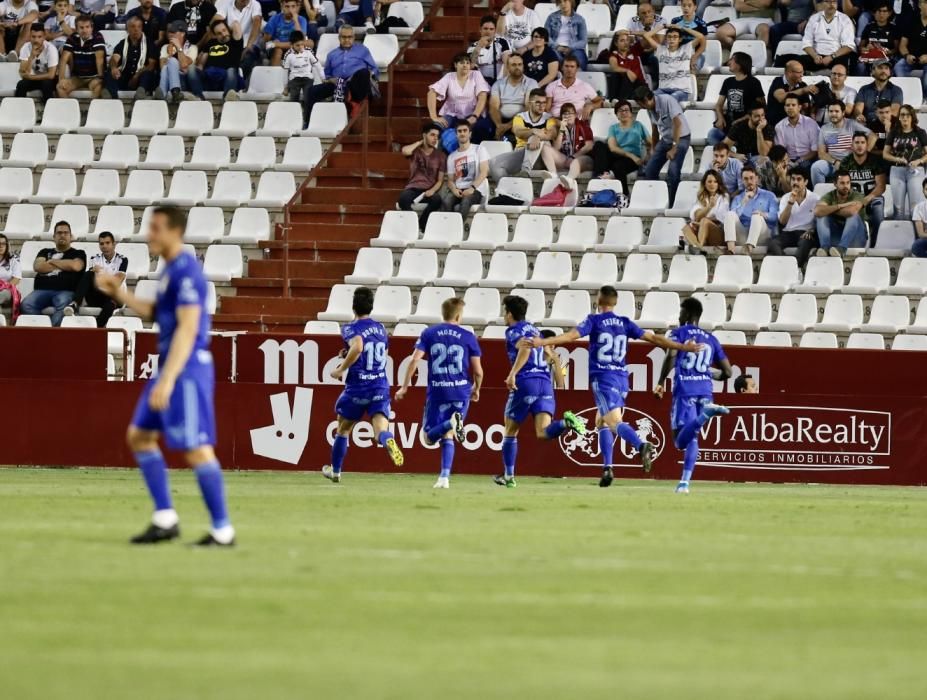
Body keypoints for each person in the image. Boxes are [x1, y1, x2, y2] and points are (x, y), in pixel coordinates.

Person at [94, 206, 234, 546]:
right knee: (139, 436)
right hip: (172, 366)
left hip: (185, 369)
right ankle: (165, 518)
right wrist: (119, 294)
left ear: (175, 231)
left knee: (197, 449)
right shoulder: (170, 271)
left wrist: (168, 379)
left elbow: (187, 328)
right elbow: (159, 313)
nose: (149, 234)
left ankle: (222, 530)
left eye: (155, 228)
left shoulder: (186, 272)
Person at [524, 285, 700, 488]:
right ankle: (607, 468)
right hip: (622, 379)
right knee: (601, 422)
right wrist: (681, 346)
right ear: (615, 302)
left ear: (598, 301)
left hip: (603, 379)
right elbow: (654, 338)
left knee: (615, 422)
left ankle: (641, 445)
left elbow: (571, 336)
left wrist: (543, 341)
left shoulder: (594, 320)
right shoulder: (625, 323)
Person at [496, 294, 585, 488]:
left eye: (505, 312)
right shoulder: (535, 331)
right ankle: (564, 422)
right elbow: (560, 383)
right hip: (544, 384)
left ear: (509, 314)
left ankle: (509, 477)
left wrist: (512, 374)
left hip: (525, 381)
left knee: (510, 432)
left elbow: (525, 348)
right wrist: (553, 360)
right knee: (543, 432)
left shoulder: (514, 331)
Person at [395, 297, 483, 489]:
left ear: (443, 314)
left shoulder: (429, 333)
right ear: (459, 315)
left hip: (438, 391)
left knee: (429, 438)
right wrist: (476, 388)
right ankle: (444, 476)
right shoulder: (468, 336)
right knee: (448, 434)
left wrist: (404, 386)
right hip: (461, 392)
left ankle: (444, 478)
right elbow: (478, 371)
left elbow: (414, 361)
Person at [322, 287, 404, 484]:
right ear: (371, 306)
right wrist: (347, 352)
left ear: (353, 307)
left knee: (343, 428)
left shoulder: (350, 328)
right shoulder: (381, 328)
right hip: (380, 386)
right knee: (379, 432)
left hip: (358, 387)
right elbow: (372, 350)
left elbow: (358, 346)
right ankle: (387, 439)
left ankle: (335, 471)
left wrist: (341, 369)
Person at [653, 298, 732, 494]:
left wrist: (661, 381)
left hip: (685, 391)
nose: (679, 316)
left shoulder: (679, 333)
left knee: (680, 441)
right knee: (693, 438)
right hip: (705, 390)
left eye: (681, 312)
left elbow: (671, 355)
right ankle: (684, 484)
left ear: (687, 314)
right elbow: (728, 373)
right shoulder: (711, 338)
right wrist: (708, 373)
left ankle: (704, 415)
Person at [303, 25, 378, 124]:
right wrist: (331, 79)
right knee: (312, 91)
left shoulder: (362, 50)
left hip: (356, 83)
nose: (347, 40)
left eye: (349, 37)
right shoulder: (332, 54)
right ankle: (308, 123)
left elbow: (374, 69)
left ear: (354, 38)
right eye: (344, 37)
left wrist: (369, 74)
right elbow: (327, 75)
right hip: (338, 83)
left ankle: (354, 102)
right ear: (339, 38)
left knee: (363, 72)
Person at [20, 221, 86, 327]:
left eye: (66, 233)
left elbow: (75, 266)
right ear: (54, 236)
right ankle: (44, 329)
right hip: (42, 290)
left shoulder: (79, 253)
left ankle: (52, 334)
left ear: (71, 236)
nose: (62, 235)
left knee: (64, 306)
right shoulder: (44, 251)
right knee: (26, 304)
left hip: (66, 291)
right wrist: (65, 264)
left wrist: (51, 262)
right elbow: (38, 267)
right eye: (59, 233)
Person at [635, 85, 691, 204]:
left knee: (673, 172)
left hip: (681, 138)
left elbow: (678, 124)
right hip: (666, 140)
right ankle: (658, 199)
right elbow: (654, 129)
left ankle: (672, 203)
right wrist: (653, 149)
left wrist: (674, 147)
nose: (641, 107)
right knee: (650, 171)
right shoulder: (649, 108)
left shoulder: (667, 100)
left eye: (641, 104)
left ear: (646, 100)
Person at [490, 87, 555, 180]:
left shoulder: (549, 118)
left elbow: (549, 135)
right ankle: (507, 191)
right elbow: (518, 132)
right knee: (494, 162)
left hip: (541, 158)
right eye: (538, 103)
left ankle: (525, 171)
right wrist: (534, 131)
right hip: (521, 154)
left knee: (537, 140)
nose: (542, 106)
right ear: (530, 103)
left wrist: (535, 136)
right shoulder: (520, 117)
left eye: (544, 102)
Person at [64, 231, 126, 327]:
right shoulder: (94, 259)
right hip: (98, 295)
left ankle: (95, 330)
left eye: (107, 243)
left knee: (109, 306)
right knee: (88, 274)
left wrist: (101, 273)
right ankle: (75, 303)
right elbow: (94, 282)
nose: (104, 246)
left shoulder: (122, 259)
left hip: (115, 296)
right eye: (101, 243)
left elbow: (117, 282)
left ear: (114, 244)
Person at [590, 99, 648, 194]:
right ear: (616, 114)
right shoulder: (613, 128)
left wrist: (647, 156)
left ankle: (623, 194)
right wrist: (629, 154)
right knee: (599, 145)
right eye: (621, 110)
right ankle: (601, 176)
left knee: (618, 166)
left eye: (626, 110)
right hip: (620, 155)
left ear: (631, 113)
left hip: (632, 160)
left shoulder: (638, 126)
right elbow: (612, 147)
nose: (624, 113)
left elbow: (650, 142)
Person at [811, 99, 875, 185]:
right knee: (816, 167)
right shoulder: (824, 128)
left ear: (843, 113)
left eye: (837, 111)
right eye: (831, 111)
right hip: (832, 163)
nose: (833, 114)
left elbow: (873, 136)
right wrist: (835, 162)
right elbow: (821, 153)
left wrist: (864, 155)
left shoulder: (852, 124)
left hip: (851, 163)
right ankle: (819, 196)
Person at [398, 122, 447, 232]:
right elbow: (405, 151)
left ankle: (421, 225)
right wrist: (420, 142)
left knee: (437, 200)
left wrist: (432, 190)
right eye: (432, 135)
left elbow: (440, 180)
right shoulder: (415, 151)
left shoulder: (441, 156)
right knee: (403, 199)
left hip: (428, 189)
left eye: (437, 136)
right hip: (413, 187)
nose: (435, 138)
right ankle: (413, 224)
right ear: (425, 135)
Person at [708, 53, 764, 146]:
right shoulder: (728, 82)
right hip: (729, 123)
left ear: (740, 64)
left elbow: (761, 106)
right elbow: (718, 105)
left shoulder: (754, 82)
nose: (728, 62)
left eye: (732, 60)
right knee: (712, 134)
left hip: (746, 125)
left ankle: (730, 154)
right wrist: (720, 118)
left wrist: (741, 120)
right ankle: (726, 154)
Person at [769, 167, 820, 268]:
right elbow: (783, 222)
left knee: (805, 243)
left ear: (806, 182)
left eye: (799, 179)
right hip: (788, 232)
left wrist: (812, 231)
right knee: (772, 243)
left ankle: (796, 269)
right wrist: (790, 203)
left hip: (806, 233)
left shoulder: (815, 198)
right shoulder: (785, 198)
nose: (795, 182)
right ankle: (787, 267)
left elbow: (819, 220)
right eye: (793, 179)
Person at [882, 104, 927, 219]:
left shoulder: (920, 132)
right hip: (897, 170)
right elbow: (885, 154)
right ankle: (899, 235)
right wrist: (897, 159)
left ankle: (917, 235)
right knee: (898, 208)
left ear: (912, 117)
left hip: (915, 170)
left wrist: (920, 160)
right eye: (902, 115)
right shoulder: (893, 132)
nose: (905, 117)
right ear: (899, 117)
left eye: (908, 115)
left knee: (915, 207)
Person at [723, 164, 779, 254]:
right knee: (730, 214)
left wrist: (762, 214)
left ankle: (749, 248)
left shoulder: (769, 195)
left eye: (751, 178)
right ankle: (730, 250)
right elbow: (731, 219)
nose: (749, 181)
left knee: (756, 216)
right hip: (743, 235)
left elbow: (775, 217)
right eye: (745, 179)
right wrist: (744, 201)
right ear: (742, 180)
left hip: (762, 235)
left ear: (757, 178)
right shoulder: (738, 198)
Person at [814, 170, 870, 256]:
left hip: (856, 237)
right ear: (835, 184)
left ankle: (842, 249)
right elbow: (817, 211)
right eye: (842, 183)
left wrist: (829, 210)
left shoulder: (858, 195)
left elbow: (851, 212)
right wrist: (840, 206)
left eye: (848, 183)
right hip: (836, 238)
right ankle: (824, 248)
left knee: (853, 216)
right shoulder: (829, 196)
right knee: (822, 216)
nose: (846, 186)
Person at [642, 25, 702, 103]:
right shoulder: (661, 50)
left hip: (682, 91)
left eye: (675, 37)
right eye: (669, 37)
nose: (672, 39)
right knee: (648, 99)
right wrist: (663, 26)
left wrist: (681, 27)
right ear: (666, 39)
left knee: (671, 98)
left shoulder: (686, 49)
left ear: (680, 39)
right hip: (663, 90)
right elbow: (646, 35)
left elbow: (700, 36)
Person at [187, 18, 243, 100]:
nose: (223, 34)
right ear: (215, 35)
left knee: (231, 70)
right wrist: (198, 68)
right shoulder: (211, 43)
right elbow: (201, 64)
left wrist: (227, 30)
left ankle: (228, 97)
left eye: (224, 30)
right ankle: (198, 97)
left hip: (226, 78)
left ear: (228, 29)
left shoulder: (235, 42)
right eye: (219, 33)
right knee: (191, 68)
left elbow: (236, 24)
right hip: (209, 78)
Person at [443, 122, 489, 219]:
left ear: (470, 133)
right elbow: (450, 180)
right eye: (459, 131)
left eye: (465, 130)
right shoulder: (452, 156)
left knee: (466, 201)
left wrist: (472, 188)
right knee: (446, 201)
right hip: (459, 189)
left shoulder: (479, 149)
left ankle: (457, 230)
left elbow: (484, 172)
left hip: (476, 189)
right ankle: (449, 228)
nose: (462, 133)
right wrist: (454, 189)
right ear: (456, 135)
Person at [105, 16, 157, 99]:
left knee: (148, 74)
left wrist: (136, 76)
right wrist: (114, 68)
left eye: (139, 26)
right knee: (110, 70)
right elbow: (114, 58)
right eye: (133, 26)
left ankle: (141, 94)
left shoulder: (150, 43)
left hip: (141, 79)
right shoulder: (122, 44)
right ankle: (112, 96)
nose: (136, 29)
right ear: (127, 29)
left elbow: (151, 66)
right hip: (125, 77)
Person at [796, 0, 857, 72]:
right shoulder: (814, 18)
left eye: (834, 2)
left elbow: (848, 46)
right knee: (799, 61)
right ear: (821, 4)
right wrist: (815, 56)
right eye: (827, 1)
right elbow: (806, 43)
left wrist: (831, 57)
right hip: (817, 56)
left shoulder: (845, 19)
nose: (831, 4)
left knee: (842, 62)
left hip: (836, 56)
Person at [488, 53, 537, 142]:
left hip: (522, 119)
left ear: (523, 66)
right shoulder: (498, 84)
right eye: (513, 65)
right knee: (481, 127)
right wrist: (499, 125)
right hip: (500, 119)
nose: (517, 67)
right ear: (507, 67)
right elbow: (494, 107)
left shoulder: (531, 83)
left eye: (519, 64)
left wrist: (507, 126)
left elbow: (528, 108)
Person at [539, 101, 593, 179]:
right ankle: (553, 175)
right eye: (565, 114)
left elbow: (589, 146)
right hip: (565, 159)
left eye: (570, 114)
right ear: (561, 117)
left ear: (575, 115)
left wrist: (573, 156)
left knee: (576, 162)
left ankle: (569, 180)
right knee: (544, 148)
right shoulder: (559, 128)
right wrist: (561, 130)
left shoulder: (583, 126)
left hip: (582, 158)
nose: (567, 116)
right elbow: (556, 148)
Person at [682, 169, 730, 254]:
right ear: (704, 183)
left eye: (715, 182)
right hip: (702, 232)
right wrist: (709, 207)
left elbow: (721, 218)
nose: (712, 184)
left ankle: (698, 246)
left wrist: (702, 222)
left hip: (718, 234)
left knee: (704, 221)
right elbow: (697, 216)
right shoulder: (701, 197)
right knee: (686, 228)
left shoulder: (724, 196)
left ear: (719, 184)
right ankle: (697, 248)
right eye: (709, 181)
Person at [56, 14, 103, 98]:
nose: (84, 30)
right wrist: (61, 79)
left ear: (92, 28)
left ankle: (93, 111)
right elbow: (64, 59)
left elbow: (99, 59)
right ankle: (70, 111)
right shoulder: (72, 38)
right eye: (81, 28)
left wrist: (100, 78)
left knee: (98, 87)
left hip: (93, 77)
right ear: (76, 29)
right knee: (60, 87)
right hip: (77, 78)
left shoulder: (98, 37)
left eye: (87, 27)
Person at [282, 30, 323, 123]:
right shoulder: (288, 55)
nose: (301, 47)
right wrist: (285, 87)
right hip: (294, 80)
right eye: (297, 45)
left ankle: (307, 121)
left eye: (302, 44)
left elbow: (317, 65)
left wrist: (323, 77)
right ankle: (293, 121)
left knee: (307, 98)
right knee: (294, 100)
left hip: (307, 78)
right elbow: (285, 71)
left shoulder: (308, 51)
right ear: (291, 45)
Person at [154, 21, 197, 102]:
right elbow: (162, 67)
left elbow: (184, 65)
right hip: (169, 80)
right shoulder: (165, 47)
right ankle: (174, 92)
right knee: (166, 68)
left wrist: (179, 48)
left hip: (184, 81)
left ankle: (163, 94)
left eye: (174, 32)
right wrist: (170, 54)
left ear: (183, 33)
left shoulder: (192, 48)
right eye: (169, 32)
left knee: (172, 61)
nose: (170, 34)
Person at [775, 93, 820, 166]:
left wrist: (799, 161)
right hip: (788, 160)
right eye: (788, 105)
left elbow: (815, 150)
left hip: (808, 158)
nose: (790, 108)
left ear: (799, 107)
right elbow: (781, 150)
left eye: (793, 105)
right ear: (784, 108)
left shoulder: (811, 124)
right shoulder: (779, 126)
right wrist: (788, 162)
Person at [15, 22, 56, 101]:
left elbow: (51, 75)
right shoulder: (26, 47)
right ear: (30, 36)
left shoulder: (51, 49)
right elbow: (23, 73)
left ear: (44, 37)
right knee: (21, 84)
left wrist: (30, 77)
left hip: (48, 80)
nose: (36, 40)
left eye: (39, 37)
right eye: (33, 37)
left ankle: (50, 111)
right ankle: (19, 109)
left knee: (46, 84)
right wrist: (31, 57)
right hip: (33, 79)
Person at [626, 2, 664, 86]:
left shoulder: (661, 21)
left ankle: (657, 84)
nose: (647, 15)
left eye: (649, 12)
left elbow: (658, 43)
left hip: (655, 51)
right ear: (638, 14)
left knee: (654, 59)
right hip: (640, 50)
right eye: (643, 13)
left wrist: (648, 28)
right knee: (630, 58)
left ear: (654, 11)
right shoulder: (632, 21)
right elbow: (631, 41)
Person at [766, 60, 813, 127]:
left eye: (802, 72)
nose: (802, 75)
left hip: (793, 126)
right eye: (799, 72)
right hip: (774, 124)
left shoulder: (802, 85)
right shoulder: (778, 81)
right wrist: (803, 90)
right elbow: (780, 98)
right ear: (789, 73)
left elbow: (805, 107)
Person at [857, 2, 898, 76]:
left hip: (887, 57)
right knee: (860, 66)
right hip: (871, 56)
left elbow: (896, 49)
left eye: (884, 11)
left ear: (889, 13)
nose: (881, 14)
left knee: (886, 65)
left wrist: (887, 52)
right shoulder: (869, 27)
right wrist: (864, 49)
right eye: (879, 11)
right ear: (874, 13)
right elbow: (861, 46)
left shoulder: (893, 28)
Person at [895, 0, 927, 95]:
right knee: (899, 66)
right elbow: (902, 45)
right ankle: (907, 93)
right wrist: (907, 55)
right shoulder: (912, 21)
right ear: (920, 5)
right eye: (924, 3)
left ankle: (925, 98)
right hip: (912, 58)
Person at [544, 0, 587, 70]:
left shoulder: (579, 19)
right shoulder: (551, 17)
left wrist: (571, 47)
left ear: (571, 2)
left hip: (574, 48)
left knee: (579, 58)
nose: (563, 4)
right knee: (553, 57)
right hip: (555, 48)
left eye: (565, 1)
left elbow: (583, 41)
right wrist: (557, 46)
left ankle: (578, 79)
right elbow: (546, 36)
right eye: (560, 2)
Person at [262, 0, 306, 66]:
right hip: (275, 49)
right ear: (282, 7)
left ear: (297, 7)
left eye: (293, 6)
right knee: (278, 50)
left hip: (292, 48)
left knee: (305, 44)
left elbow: (301, 40)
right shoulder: (274, 19)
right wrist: (268, 35)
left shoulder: (301, 20)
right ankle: (275, 74)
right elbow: (266, 42)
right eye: (287, 6)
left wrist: (296, 21)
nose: (290, 9)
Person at [605, 30, 645, 101]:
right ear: (616, 43)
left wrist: (631, 32)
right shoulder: (614, 55)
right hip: (624, 86)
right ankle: (613, 100)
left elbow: (646, 35)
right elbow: (614, 67)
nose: (626, 43)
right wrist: (627, 71)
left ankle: (619, 102)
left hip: (639, 87)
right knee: (615, 75)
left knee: (627, 76)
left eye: (627, 40)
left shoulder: (634, 50)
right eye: (622, 40)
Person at [470, 14, 510, 83]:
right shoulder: (473, 46)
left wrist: (504, 83)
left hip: (500, 81)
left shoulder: (502, 42)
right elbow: (471, 65)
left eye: (491, 29)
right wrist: (479, 46)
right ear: (480, 30)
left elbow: (508, 62)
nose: (488, 32)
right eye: (485, 28)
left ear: (495, 31)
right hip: (481, 82)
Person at [0, 234, 22, 315]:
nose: (1, 246)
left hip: (9, 290)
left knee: (3, 294)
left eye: (3, 244)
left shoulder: (14, 259)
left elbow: (16, 279)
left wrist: (3, 287)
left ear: (7, 245)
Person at [911, 178, 927, 256]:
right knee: (916, 246)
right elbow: (921, 234)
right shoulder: (919, 207)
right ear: (923, 191)